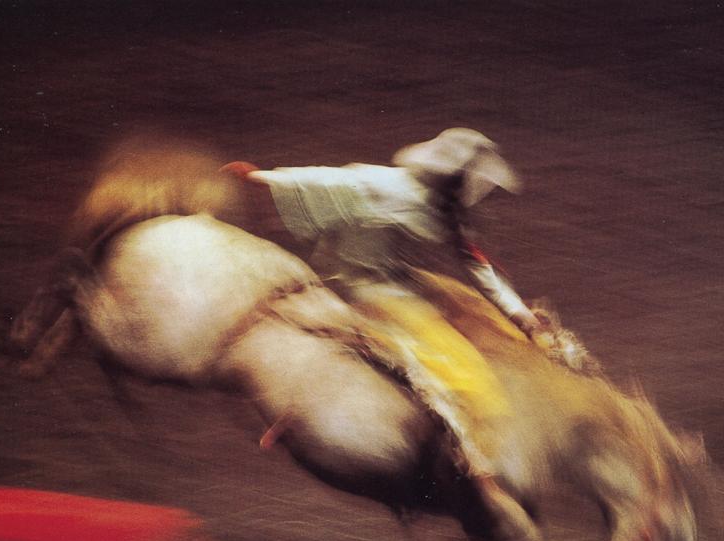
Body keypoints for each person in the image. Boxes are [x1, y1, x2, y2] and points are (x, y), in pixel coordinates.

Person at [222, 128, 546, 490]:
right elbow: (326, 180)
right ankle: (472, 455)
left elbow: (476, 265)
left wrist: (518, 313)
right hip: (373, 289)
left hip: (397, 283)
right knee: (456, 366)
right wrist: (262, 178)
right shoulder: (387, 186)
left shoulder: (445, 211)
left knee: (466, 329)